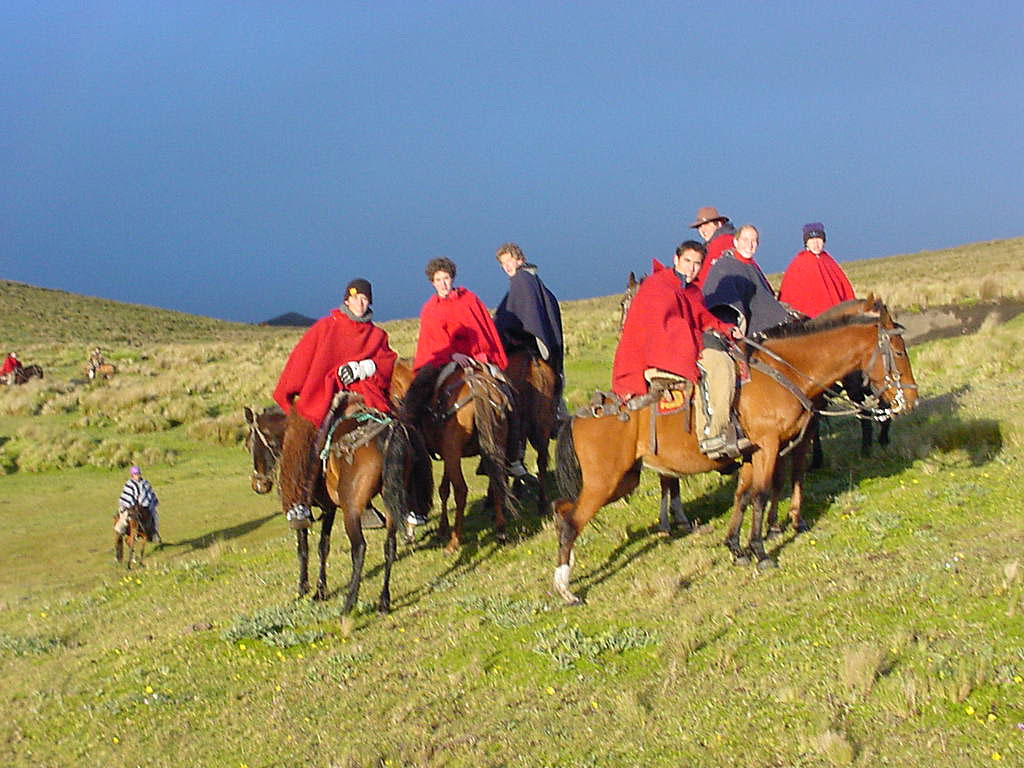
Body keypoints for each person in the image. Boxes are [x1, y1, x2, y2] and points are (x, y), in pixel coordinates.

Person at [273, 279, 398, 530]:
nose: (360, 304)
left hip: (363, 392)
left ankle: (408, 501)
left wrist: (365, 367)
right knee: (305, 434)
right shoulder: (325, 327)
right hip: (327, 391)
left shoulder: (377, 334)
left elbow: (387, 360)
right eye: (355, 299)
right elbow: (303, 357)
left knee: (397, 431)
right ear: (346, 300)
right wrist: (290, 391)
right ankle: (300, 500)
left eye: (364, 299)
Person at [612, 241, 746, 458]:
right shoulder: (658, 286)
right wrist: (697, 339)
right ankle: (713, 434)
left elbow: (702, 318)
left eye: (697, 264)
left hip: (684, 343)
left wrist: (726, 329)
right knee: (719, 364)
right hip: (660, 353)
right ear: (676, 260)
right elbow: (661, 328)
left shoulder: (690, 290)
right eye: (687, 262)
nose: (691, 268)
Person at [492, 242, 567, 477]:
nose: (506, 267)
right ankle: (557, 410)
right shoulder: (534, 281)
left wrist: (502, 333)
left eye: (509, 261)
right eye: (503, 264)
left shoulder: (521, 281)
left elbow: (514, 319)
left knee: (501, 393)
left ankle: (509, 451)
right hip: (540, 351)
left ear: (519, 259)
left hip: (522, 348)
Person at [413, 257, 508, 372]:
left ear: (452, 278)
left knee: (502, 383)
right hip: (443, 360)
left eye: (446, 278)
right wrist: (452, 355)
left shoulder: (469, 299)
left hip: (475, 355)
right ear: (433, 282)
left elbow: (483, 332)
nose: (443, 284)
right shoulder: (430, 309)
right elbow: (433, 343)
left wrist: (482, 353)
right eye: (438, 280)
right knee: (424, 385)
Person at [702, 224, 792, 336]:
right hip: (745, 335)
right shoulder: (724, 266)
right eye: (745, 240)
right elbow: (722, 304)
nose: (750, 245)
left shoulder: (752, 267)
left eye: (753, 241)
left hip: (769, 330)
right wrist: (731, 328)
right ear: (736, 242)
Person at [778, 222, 856, 317]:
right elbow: (789, 295)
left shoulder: (828, 260)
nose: (816, 243)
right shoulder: (799, 263)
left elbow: (845, 290)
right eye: (811, 240)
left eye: (819, 239)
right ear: (806, 242)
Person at [690, 206, 736, 289]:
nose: (703, 230)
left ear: (719, 223)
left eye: (706, 224)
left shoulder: (723, 242)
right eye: (699, 227)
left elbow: (706, 276)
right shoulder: (730, 240)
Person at [116, 465, 160, 543]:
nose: (138, 475)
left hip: (145, 507)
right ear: (132, 475)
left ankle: (154, 532)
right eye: (136, 474)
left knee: (155, 515)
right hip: (132, 507)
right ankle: (121, 529)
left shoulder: (145, 483)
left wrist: (151, 502)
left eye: (138, 473)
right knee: (124, 515)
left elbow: (150, 494)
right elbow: (126, 497)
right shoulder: (129, 484)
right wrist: (129, 505)